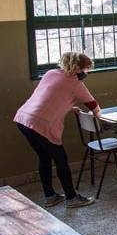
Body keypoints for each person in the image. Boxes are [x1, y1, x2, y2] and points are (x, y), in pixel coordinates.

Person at [14, 52, 101, 208]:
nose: (87, 73)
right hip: (40, 123)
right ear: (78, 68)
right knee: (61, 159)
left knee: (44, 157)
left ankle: (50, 196)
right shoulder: (75, 83)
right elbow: (93, 105)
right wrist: (101, 117)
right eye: (87, 69)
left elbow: (49, 97)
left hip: (24, 119)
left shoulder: (50, 73)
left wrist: (68, 107)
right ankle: (72, 198)